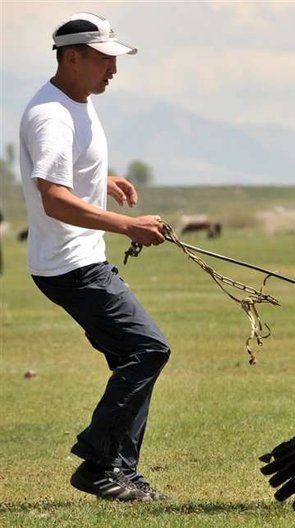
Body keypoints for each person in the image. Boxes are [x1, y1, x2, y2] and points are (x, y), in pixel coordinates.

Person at [19, 12, 170, 502]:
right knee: (148, 349)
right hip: (70, 265)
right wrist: (128, 225)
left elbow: (66, 176)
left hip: (77, 258)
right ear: (72, 57)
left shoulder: (77, 103)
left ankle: (118, 469)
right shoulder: (51, 115)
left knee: (134, 355)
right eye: (104, 59)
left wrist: (100, 180)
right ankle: (100, 464)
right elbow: (53, 198)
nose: (114, 69)